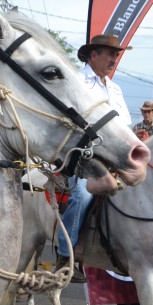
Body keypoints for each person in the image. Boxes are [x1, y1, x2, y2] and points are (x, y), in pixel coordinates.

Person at [56, 34, 134, 283]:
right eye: (110, 53)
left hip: (112, 156)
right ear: (93, 55)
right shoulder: (77, 82)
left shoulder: (115, 88)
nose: (114, 58)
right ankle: (64, 255)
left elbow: (125, 125)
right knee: (82, 195)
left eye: (116, 54)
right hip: (83, 155)